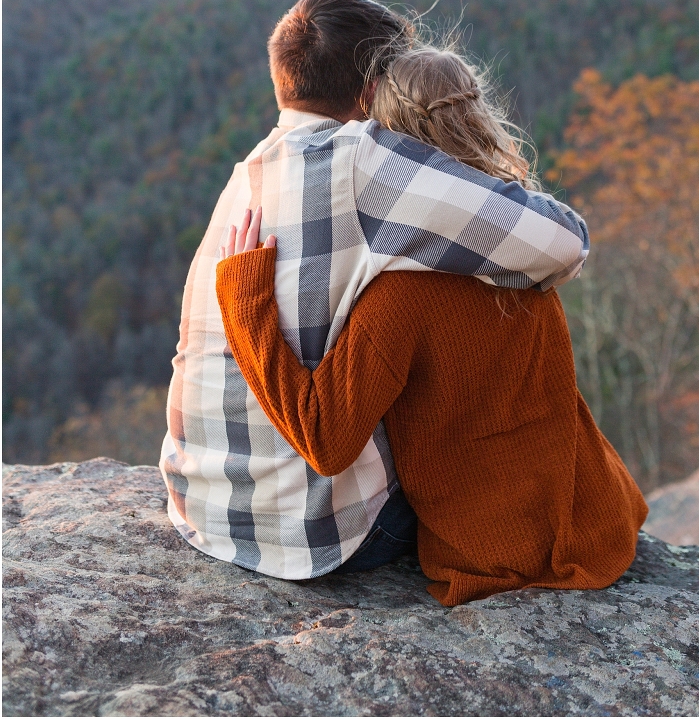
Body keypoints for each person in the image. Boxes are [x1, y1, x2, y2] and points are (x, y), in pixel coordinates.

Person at [160, 0, 589, 580]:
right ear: (370, 91)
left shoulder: (249, 172)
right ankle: (539, 513)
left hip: (205, 505)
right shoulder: (366, 160)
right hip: (324, 532)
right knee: (500, 292)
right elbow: (562, 244)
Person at [215, 47, 647, 606]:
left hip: (496, 549)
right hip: (600, 515)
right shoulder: (522, 248)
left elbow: (324, 439)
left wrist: (245, 304)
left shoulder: (401, 297)